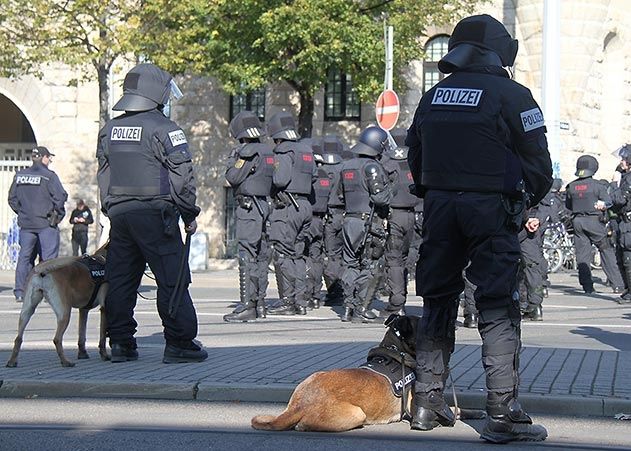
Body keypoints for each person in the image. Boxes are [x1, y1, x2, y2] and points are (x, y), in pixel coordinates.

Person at [406, 14, 551, 443]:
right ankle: (502, 414)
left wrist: (438, 193)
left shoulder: (432, 97)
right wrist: (520, 201)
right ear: (498, 49)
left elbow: (415, 156)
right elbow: (538, 165)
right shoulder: (513, 94)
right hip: (490, 209)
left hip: (440, 208)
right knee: (496, 305)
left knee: (437, 300)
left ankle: (426, 404)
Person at [96, 63, 207, 364]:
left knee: (121, 279)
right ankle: (180, 342)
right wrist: (189, 213)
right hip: (157, 216)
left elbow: (104, 176)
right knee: (172, 278)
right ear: (155, 92)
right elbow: (182, 178)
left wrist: (112, 209)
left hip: (121, 216)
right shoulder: (165, 129)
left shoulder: (109, 130)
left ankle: (120, 343)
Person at [223, 111, 274, 322]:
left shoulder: (247, 152)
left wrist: (235, 159)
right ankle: (260, 303)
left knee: (246, 255)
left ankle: (248, 305)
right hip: (265, 206)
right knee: (262, 256)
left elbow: (233, 177)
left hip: (249, 208)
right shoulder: (269, 152)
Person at [338, 126, 392, 323]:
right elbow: (380, 198)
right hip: (367, 223)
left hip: (349, 220)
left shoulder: (346, 166)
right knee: (371, 265)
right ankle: (362, 308)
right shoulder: (371, 167)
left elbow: (339, 196)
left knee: (350, 263)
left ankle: (347, 308)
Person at [266, 111, 316, 316]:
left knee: (283, 254)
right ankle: (300, 300)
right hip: (304, 206)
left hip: (287, 208)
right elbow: (312, 177)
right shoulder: (306, 150)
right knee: (297, 254)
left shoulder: (283, 151)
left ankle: (287, 300)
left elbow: (279, 180)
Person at [8, 146, 67, 302]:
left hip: (26, 224)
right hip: (46, 223)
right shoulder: (49, 176)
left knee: (24, 258)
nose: (50, 161)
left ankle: (21, 292)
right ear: (44, 158)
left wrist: (22, 213)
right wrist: (58, 215)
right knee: (48, 261)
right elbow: (60, 197)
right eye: (49, 158)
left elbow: (12, 199)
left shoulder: (19, 175)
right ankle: (48, 293)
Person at [566, 155, 624, 294]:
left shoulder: (571, 186)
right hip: (595, 222)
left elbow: (568, 206)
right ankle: (617, 284)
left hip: (577, 222)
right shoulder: (598, 186)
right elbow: (608, 202)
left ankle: (587, 286)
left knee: (582, 255)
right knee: (606, 251)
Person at [380, 128, 417, 317]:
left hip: (393, 216)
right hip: (412, 215)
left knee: (393, 260)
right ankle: (402, 298)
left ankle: (396, 304)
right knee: (403, 259)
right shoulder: (415, 160)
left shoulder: (387, 162)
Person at [610, 144, 631, 304]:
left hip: (627, 224)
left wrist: (614, 184)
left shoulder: (628, 178)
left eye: (624, 158)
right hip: (625, 222)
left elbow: (620, 200)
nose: (621, 162)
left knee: (627, 258)